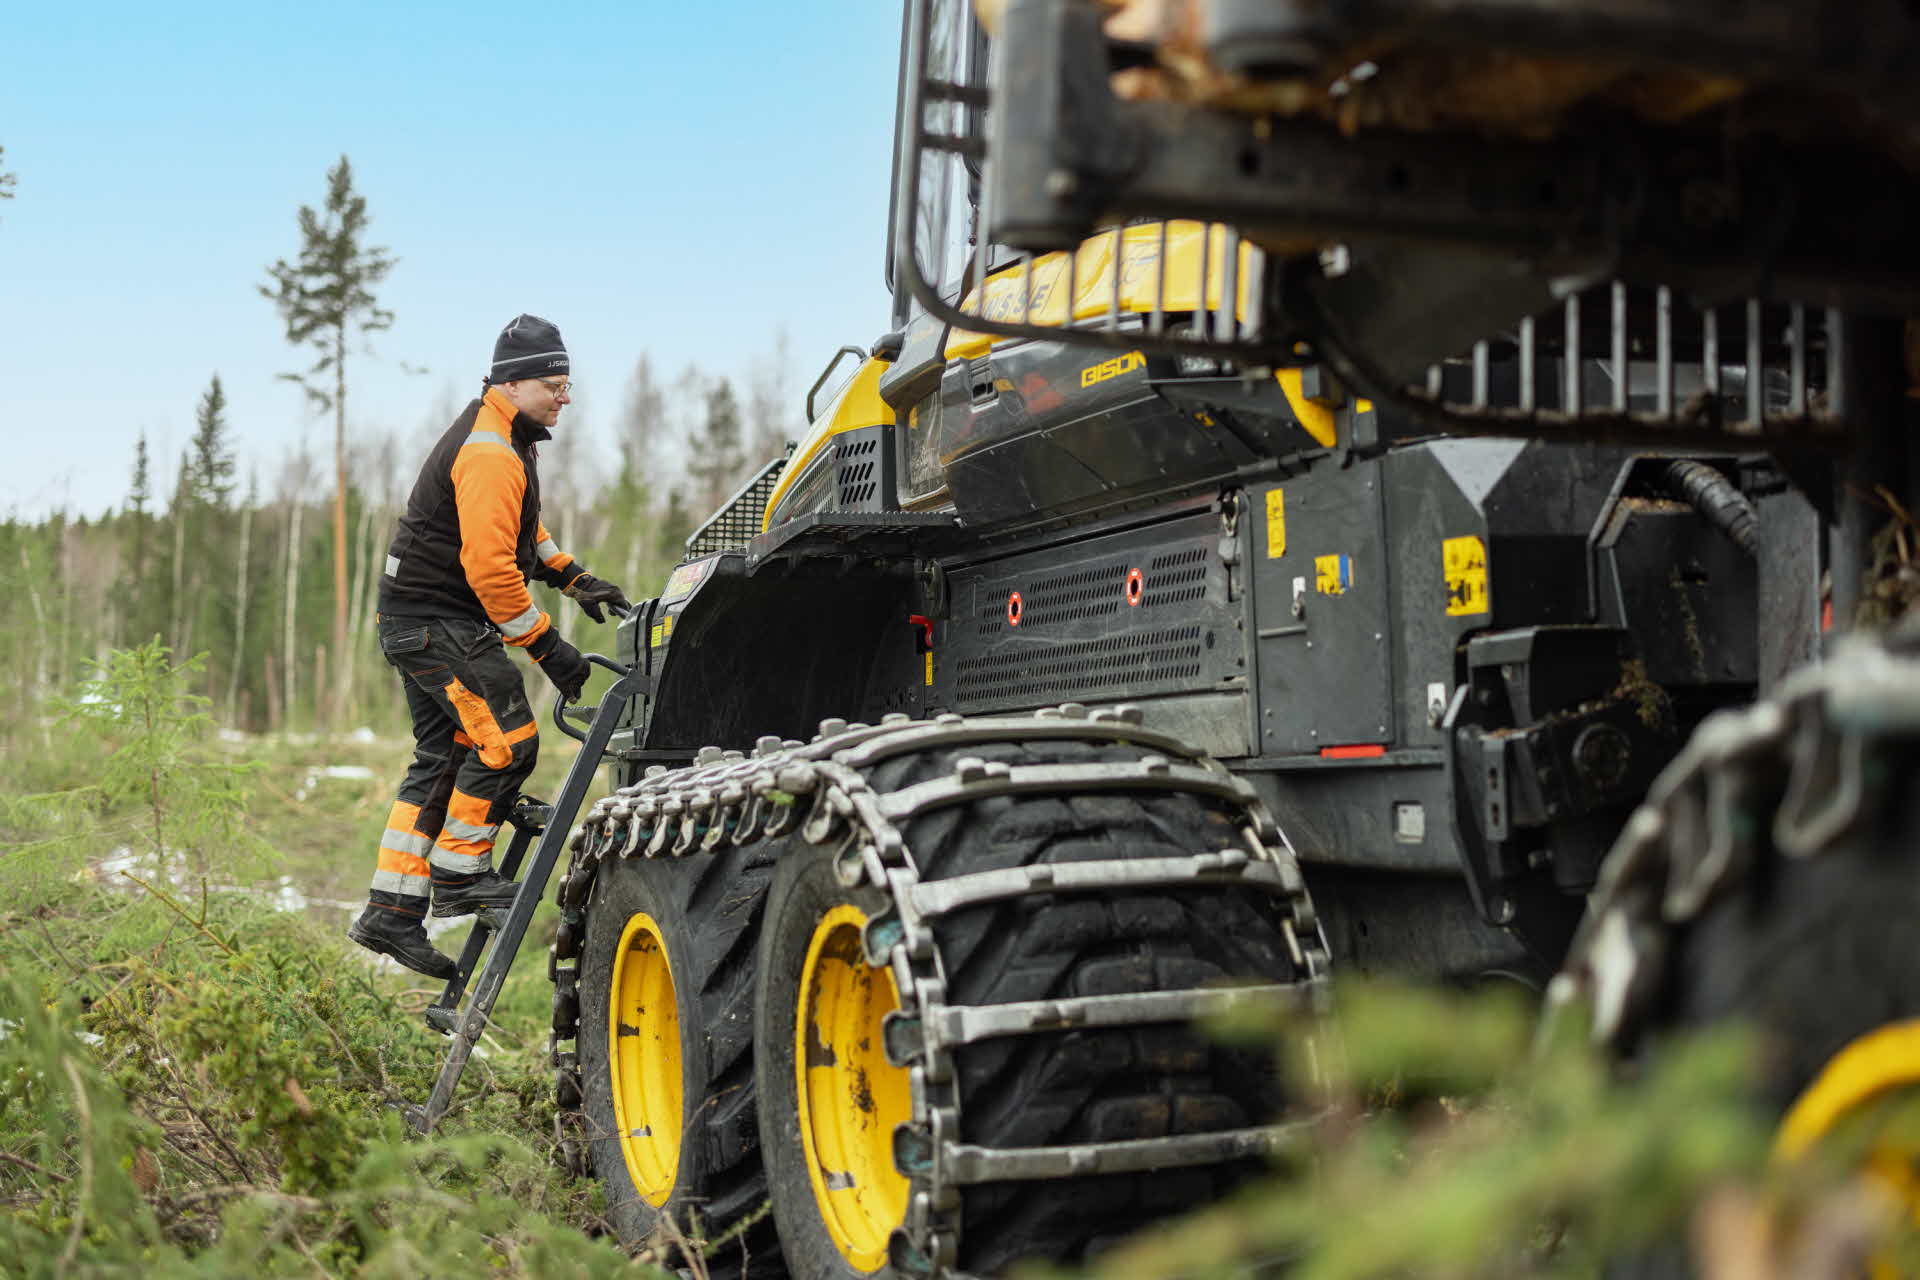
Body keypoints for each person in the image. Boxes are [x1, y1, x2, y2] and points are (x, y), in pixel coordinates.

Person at [348, 314, 630, 978]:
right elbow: (491, 570)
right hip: (436, 622)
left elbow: (522, 532)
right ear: (517, 382)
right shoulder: (489, 451)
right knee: (506, 743)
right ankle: (460, 874)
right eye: (557, 385)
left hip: (423, 620)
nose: (567, 397)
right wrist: (547, 648)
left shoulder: (510, 437)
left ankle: (390, 914)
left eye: (568, 385)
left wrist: (574, 577)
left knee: (443, 759)